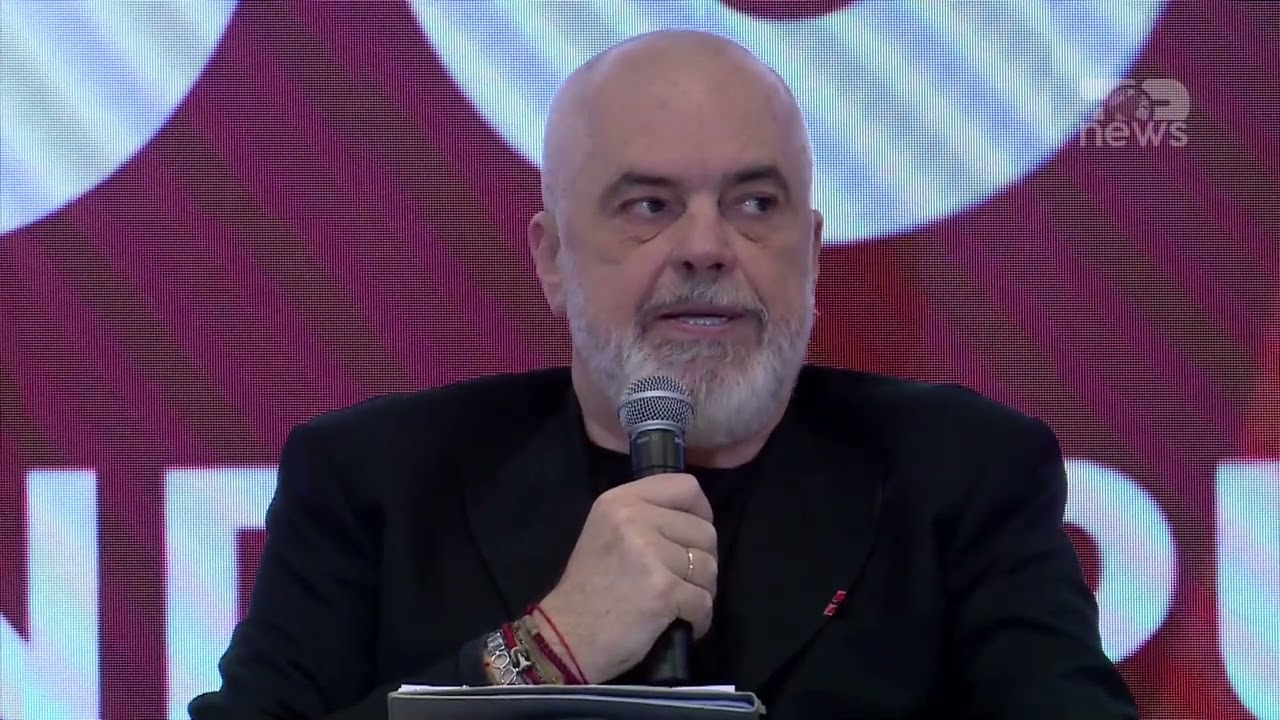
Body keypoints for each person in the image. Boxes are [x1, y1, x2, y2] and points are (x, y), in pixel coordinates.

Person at [188, 29, 1138, 720]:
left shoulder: (962, 476)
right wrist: (546, 652)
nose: (706, 247)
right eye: (648, 205)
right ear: (552, 257)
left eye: (754, 204)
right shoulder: (376, 484)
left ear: (810, 249)